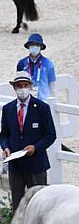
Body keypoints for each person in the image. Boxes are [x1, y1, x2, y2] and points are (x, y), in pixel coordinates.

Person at [0, 71, 57, 212]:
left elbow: (50, 135)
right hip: (16, 165)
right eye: (19, 86)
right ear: (15, 88)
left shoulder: (42, 108)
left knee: (39, 205)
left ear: (30, 86)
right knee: (18, 205)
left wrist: (36, 147)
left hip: (36, 164)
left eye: (25, 85)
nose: (22, 88)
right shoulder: (8, 109)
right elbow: (4, 135)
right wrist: (6, 147)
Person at [16, 33, 56, 101]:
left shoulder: (48, 64)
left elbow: (52, 85)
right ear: (28, 46)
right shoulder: (22, 63)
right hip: (26, 100)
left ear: (41, 47)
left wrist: (52, 101)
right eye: (32, 44)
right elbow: (18, 83)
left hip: (44, 101)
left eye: (37, 45)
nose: (34, 47)